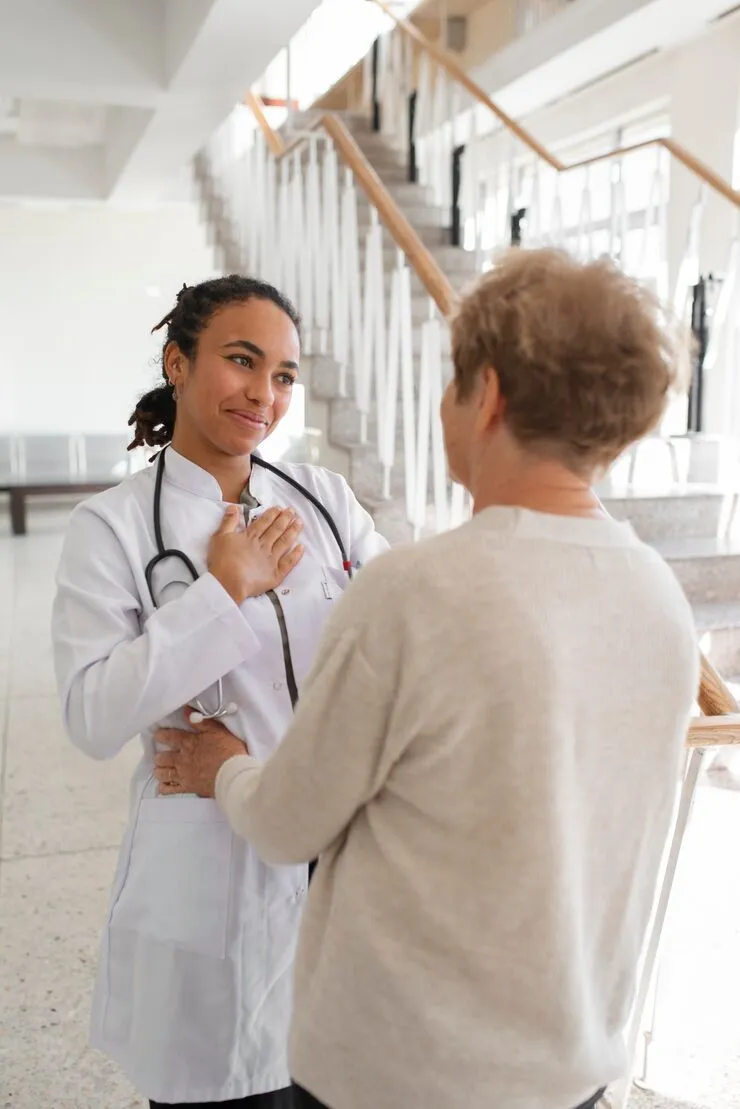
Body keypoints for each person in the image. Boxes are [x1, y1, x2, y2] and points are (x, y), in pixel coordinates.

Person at [155, 249, 700, 1109]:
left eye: (453, 381)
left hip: (402, 1073)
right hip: (574, 1070)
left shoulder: (414, 591)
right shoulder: (660, 599)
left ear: (489, 396)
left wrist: (222, 762)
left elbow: (287, 823)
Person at [51, 275, 388, 1109]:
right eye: (242, 361)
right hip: (213, 876)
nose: (264, 393)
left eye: (284, 375)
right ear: (178, 362)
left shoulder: (325, 501)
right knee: (229, 1087)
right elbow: (92, 714)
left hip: (340, 866)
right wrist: (222, 590)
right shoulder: (112, 526)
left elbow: (397, 635)